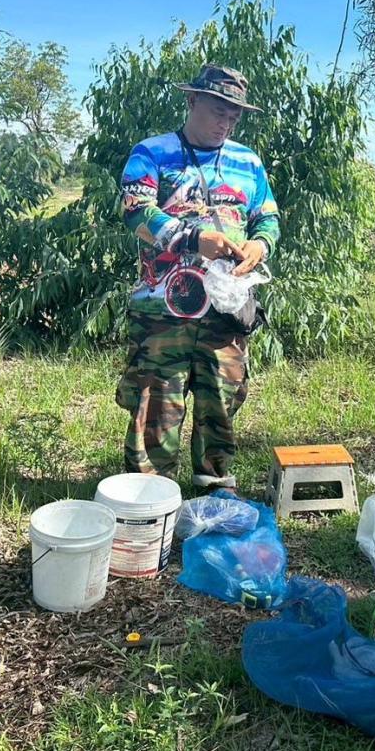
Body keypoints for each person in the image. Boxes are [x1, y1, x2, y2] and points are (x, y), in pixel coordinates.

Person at [115, 64, 280, 490]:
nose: (225, 122)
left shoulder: (248, 162)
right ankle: (149, 500)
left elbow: (268, 217)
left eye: (234, 115)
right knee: (155, 408)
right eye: (217, 111)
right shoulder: (151, 152)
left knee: (221, 408)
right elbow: (135, 210)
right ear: (191, 101)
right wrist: (191, 237)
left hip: (225, 314)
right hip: (162, 314)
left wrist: (260, 245)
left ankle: (211, 493)